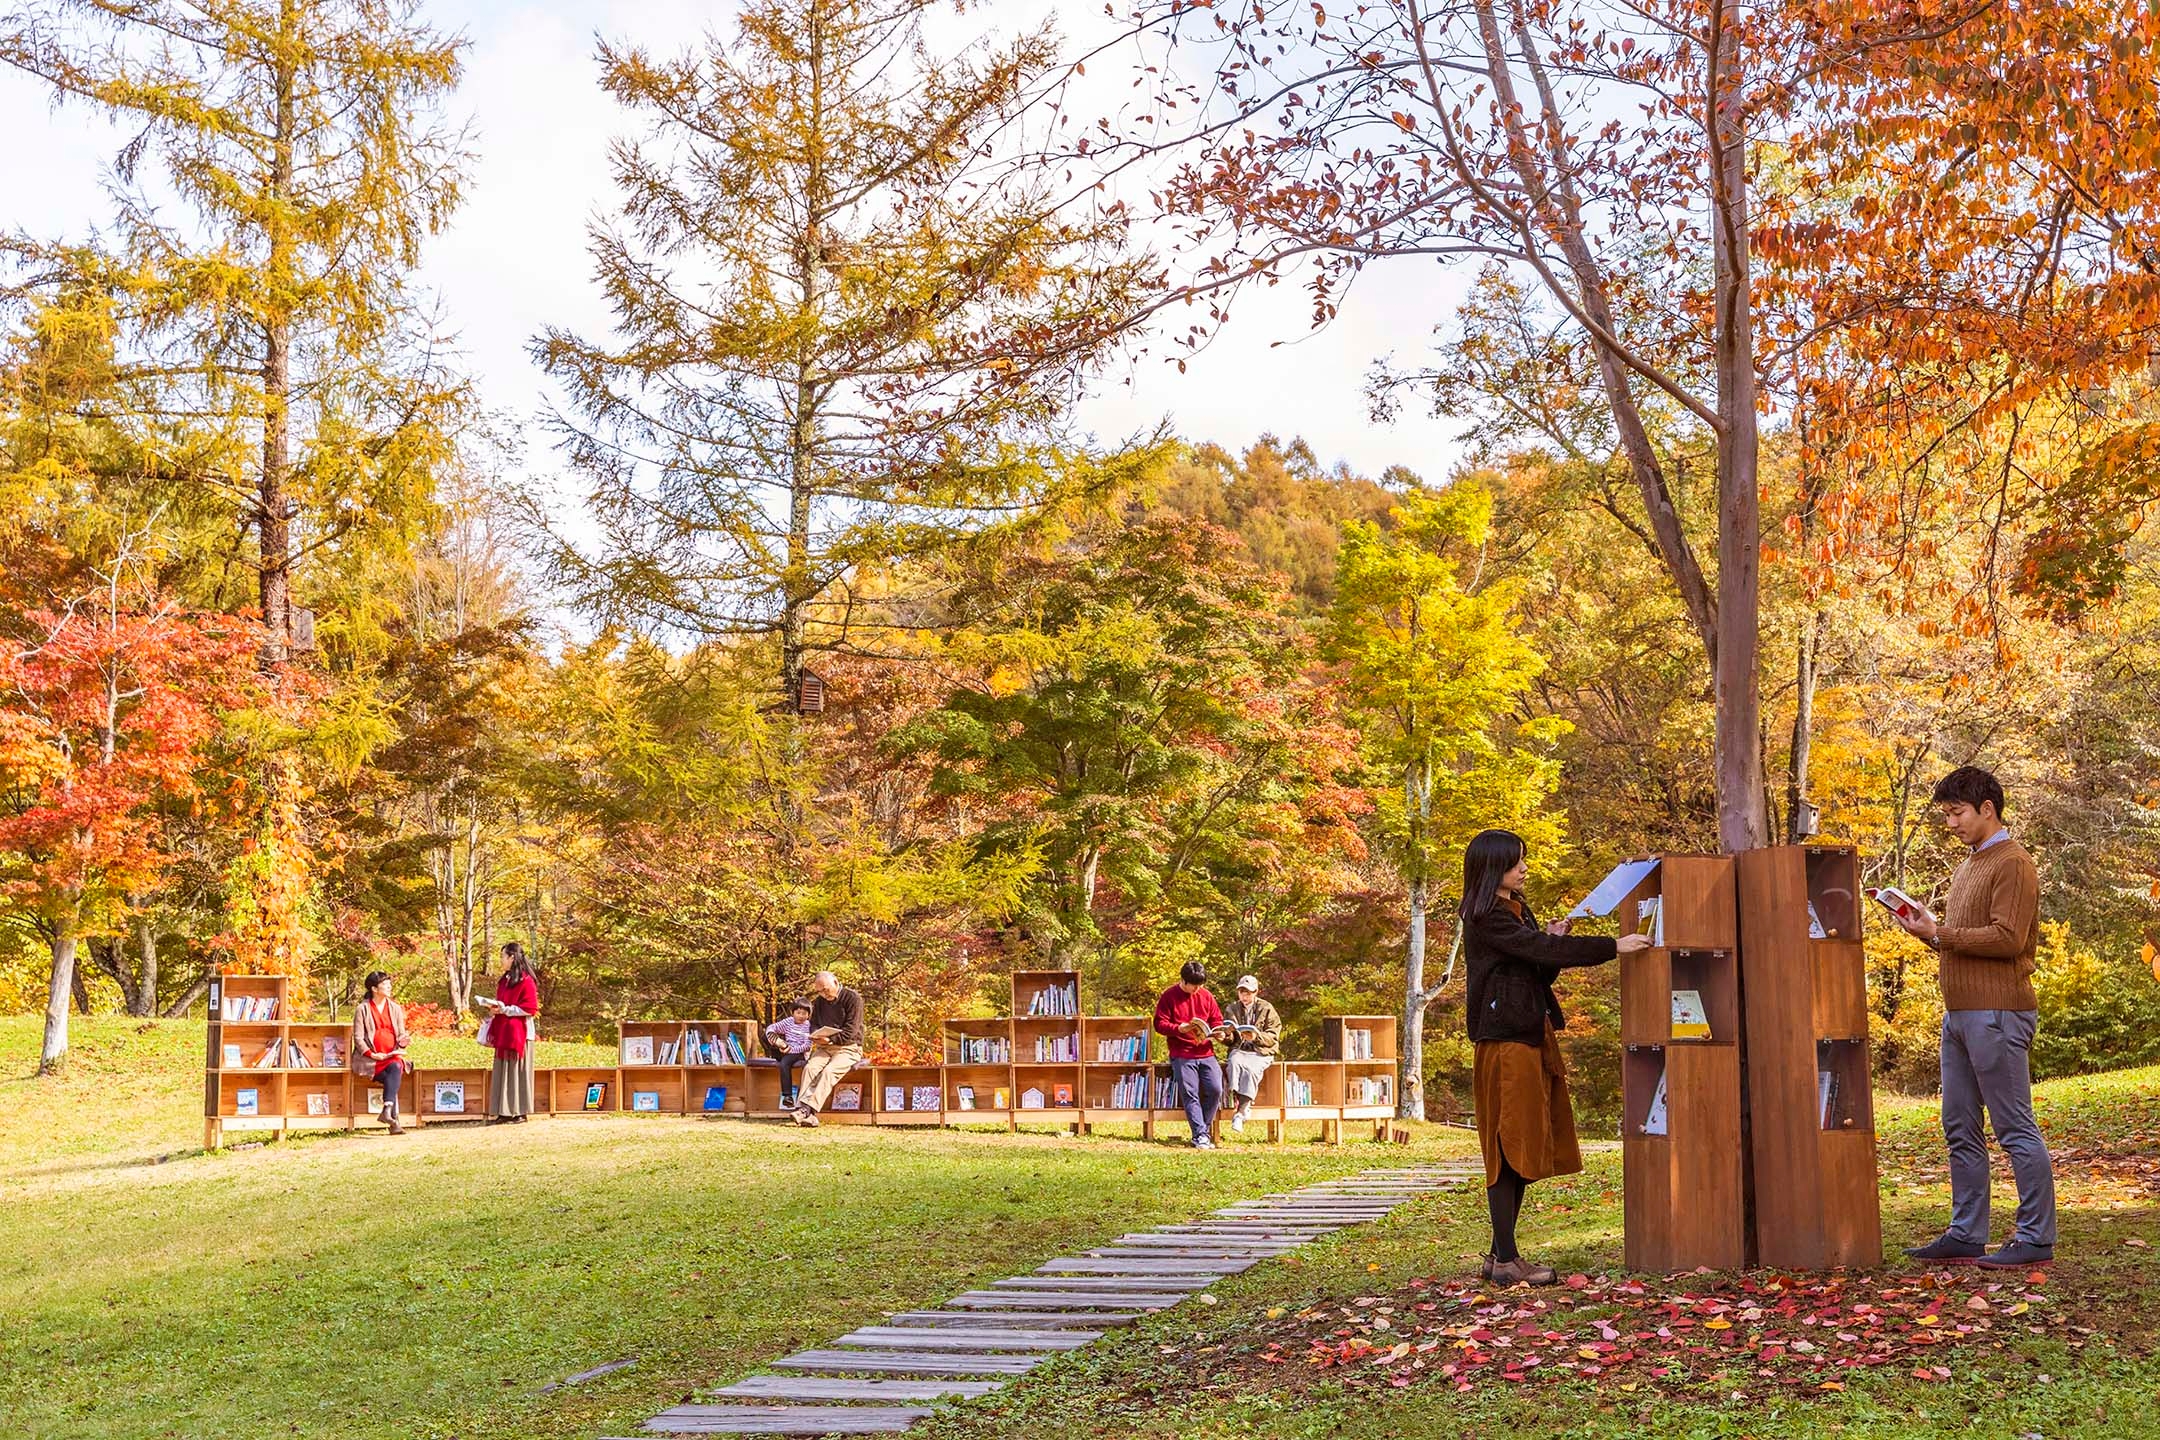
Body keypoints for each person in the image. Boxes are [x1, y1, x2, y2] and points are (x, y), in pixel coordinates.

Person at [1462, 829, 1650, 1285]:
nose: (1524, 868)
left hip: (1528, 1035)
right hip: (1505, 1042)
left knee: (1523, 1143)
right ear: (1493, 869)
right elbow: (1540, 952)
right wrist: (1612, 946)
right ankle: (1506, 1259)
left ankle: (1498, 1255)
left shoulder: (1515, 911)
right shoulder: (1487, 915)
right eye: (1515, 863)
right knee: (1509, 1148)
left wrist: (1549, 936)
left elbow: (1539, 964)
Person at [1893, 765, 2057, 1268]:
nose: (1951, 823)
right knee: (1959, 1126)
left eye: (1957, 812)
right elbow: (1962, 941)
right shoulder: (1969, 865)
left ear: (1988, 809)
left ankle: (2035, 1238)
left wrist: (1941, 934)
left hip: (1999, 1013)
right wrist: (1928, 931)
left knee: (2014, 1128)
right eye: (1946, 813)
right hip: (1960, 1013)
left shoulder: (2014, 863)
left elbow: (2007, 939)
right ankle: (1966, 1232)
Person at [1154, 960, 1227, 1149]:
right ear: (1183, 981)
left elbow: (1216, 1019)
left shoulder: (1207, 996)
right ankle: (1200, 1135)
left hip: (1205, 1051)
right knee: (1190, 1091)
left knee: (1216, 1088)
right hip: (1182, 1053)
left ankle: (1202, 1131)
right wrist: (1180, 1028)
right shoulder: (1169, 996)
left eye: (1200, 985)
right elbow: (1159, 1024)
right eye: (1194, 985)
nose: (1197, 989)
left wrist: (1219, 1033)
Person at [791, 971, 864, 1127]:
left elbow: (851, 1030)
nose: (824, 994)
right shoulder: (819, 1002)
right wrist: (816, 1036)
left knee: (829, 1071)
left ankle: (806, 1110)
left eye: (825, 989)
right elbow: (814, 1024)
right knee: (810, 1068)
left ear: (836, 982)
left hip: (849, 1048)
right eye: (819, 991)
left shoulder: (853, 999)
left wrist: (830, 1039)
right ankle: (807, 1114)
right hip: (824, 1047)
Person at [351, 971, 413, 1136]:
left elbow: (400, 1033)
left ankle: (387, 1112)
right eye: (385, 985)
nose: (389, 987)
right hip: (370, 1060)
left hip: (391, 1056)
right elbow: (358, 1038)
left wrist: (404, 1040)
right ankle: (393, 1120)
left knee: (396, 1065)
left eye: (389, 984)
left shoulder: (395, 1008)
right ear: (374, 988)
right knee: (393, 1077)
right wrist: (372, 1054)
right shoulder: (362, 1009)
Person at [484, 943, 539, 1124]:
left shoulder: (526, 981)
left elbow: (530, 1008)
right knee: (504, 1071)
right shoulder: (504, 981)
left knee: (518, 1072)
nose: (501, 961)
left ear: (512, 958)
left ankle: (519, 1111)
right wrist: (495, 1010)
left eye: (503, 957)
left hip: (519, 1035)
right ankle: (504, 1111)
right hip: (504, 1032)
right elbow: (502, 1004)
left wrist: (506, 1010)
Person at [1221, 974, 1282, 1133]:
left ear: (1256, 992)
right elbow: (1230, 1040)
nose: (1245, 996)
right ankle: (1239, 1102)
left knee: (1251, 1070)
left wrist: (1256, 1037)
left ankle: (1241, 1112)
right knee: (1233, 1062)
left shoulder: (1267, 1008)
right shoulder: (1231, 1008)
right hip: (1240, 1049)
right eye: (1241, 992)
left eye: (1248, 992)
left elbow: (1274, 1036)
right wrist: (1225, 1035)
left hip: (1260, 1051)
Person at [764, 999, 814, 1110]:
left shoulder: (809, 1026)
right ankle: (778, 1046)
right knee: (766, 1035)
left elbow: (807, 1046)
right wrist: (778, 1042)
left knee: (784, 1063)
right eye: (798, 1013)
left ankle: (787, 1096)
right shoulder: (788, 1022)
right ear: (793, 1012)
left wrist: (789, 1049)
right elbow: (772, 1027)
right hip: (785, 1048)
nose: (801, 1016)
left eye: (804, 1013)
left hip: (798, 1052)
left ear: (808, 1015)